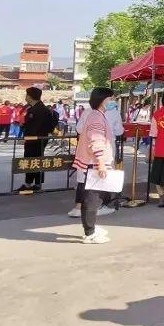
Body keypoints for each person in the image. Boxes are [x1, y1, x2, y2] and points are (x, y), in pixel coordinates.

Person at [72, 87, 116, 244]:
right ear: (103, 100)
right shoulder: (96, 117)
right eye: (111, 99)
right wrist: (101, 163)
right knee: (92, 199)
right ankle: (89, 232)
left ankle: (90, 228)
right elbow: (96, 140)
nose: (113, 102)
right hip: (93, 163)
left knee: (91, 197)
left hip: (92, 162)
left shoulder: (96, 115)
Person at [18, 87, 56, 192]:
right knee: (39, 160)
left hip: (34, 140)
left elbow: (34, 127)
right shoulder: (43, 108)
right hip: (41, 139)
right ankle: (37, 183)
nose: (25, 97)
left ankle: (29, 184)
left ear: (30, 97)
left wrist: (27, 138)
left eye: (26, 95)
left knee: (31, 161)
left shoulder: (36, 110)